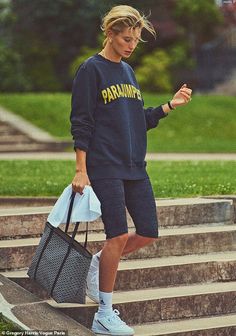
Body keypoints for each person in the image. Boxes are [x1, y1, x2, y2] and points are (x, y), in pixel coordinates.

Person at [70, 4, 192, 336]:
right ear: (109, 33)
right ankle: (103, 314)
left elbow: (137, 120)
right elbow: (81, 123)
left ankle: (98, 262)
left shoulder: (128, 72)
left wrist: (169, 106)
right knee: (118, 235)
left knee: (149, 232)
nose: (131, 45)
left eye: (136, 40)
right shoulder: (90, 70)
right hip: (104, 165)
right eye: (126, 38)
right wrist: (81, 169)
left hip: (135, 166)